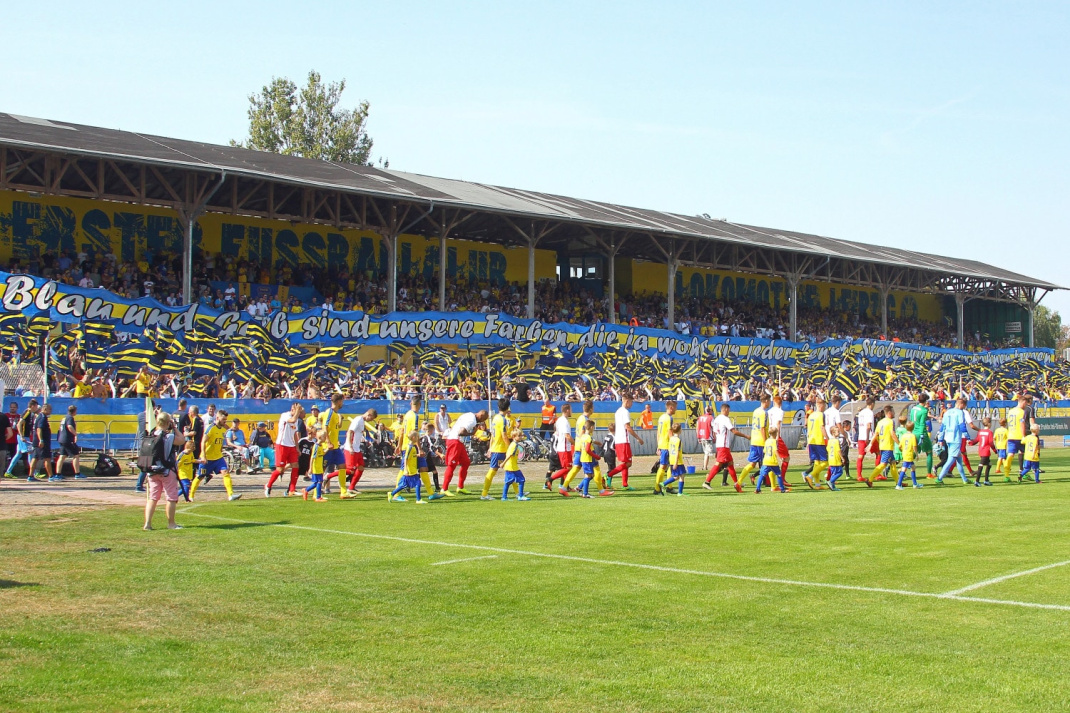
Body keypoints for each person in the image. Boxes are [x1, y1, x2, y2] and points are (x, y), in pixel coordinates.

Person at [142, 413, 182, 530]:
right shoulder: (168, 437)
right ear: (168, 422)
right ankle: (171, 523)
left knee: (153, 498)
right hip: (166, 470)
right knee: (171, 497)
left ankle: (147, 523)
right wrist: (174, 428)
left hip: (152, 470)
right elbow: (182, 440)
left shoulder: (151, 435)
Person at [190, 411, 242, 501]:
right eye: (223, 419)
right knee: (200, 476)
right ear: (217, 418)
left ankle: (230, 495)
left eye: (226, 419)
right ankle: (191, 496)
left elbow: (222, 438)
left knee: (226, 472)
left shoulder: (223, 429)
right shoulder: (210, 428)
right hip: (207, 458)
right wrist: (203, 456)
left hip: (218, 457)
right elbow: (203, 442)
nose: (225, 421)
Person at [441, 409, 487, 495]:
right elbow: (461, 432)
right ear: (480, 416)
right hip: (455, 440)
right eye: (483, 419)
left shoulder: (469, 414)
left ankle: (460, 487)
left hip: (457, 440)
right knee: (452, 465)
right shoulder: (472, 420)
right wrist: (471, 433)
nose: (482, 422)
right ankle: (444, 488)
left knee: (466, 462)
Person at [607, 393, 643, 490]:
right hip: (623, 440)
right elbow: (627, 427)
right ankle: (609, 475)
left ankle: (625, 484)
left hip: (619, 440)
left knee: (625, 462)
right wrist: (638, 438)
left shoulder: (618, 411)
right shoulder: (625, 412)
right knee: (628, 463)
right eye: (631, 402)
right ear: (627, 401)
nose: (632, 404)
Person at [704, 403, 744, 492]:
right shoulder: (725, 419)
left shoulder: (717, 419)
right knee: (718, 464)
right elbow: (734, 431)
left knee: (730, 464)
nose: (729, 412)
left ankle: (736, 483)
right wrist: (747, 436)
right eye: (728, 410)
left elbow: (714, 433)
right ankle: (707, 481)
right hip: (723, 446)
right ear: (725, 409)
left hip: (719, 445)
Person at [265, 403, 302, 496]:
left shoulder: (296, 419)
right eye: (298, 410)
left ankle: (292, 489)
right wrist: (297, 411)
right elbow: (292, 420)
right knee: (280, 470)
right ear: (293, 409)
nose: (300, 412)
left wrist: (297, 447)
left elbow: (295, 433)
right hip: (282, 445)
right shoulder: (285, 415)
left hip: (291, 446)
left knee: (296, 465)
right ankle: (268, 485)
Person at [480, 398, 511, 500]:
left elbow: (493, 435)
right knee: (493, 470)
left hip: (497, 448)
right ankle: (484, 494)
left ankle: (518, 492)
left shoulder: (495, 418)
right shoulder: (502, 419)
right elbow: (504, 435)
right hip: (500, 449)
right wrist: (510, 447)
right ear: (508, 408)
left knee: (511, 469)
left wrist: (490, 447)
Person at [341, 408, 377, 495]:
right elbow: (349, 432)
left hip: (356, 448)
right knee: (350, 470)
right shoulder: (357, 419)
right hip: (351, 448)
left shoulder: (362, 421)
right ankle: (328, 476)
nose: (370, 420)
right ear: (369, 415)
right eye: (371, 419)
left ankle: (351, 487)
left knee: (361, 467)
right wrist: (350, 446)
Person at [737, 395, 768, 489]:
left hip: (754, 440)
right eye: (769, 401)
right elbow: (762, 428)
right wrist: (766, 441)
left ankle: (739, 481)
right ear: (766, 401)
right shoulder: (764, 413)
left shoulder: (755, 411)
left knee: (752, 463)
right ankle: (772, 485)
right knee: (768, 462)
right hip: (761, 441)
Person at [936, 398, 971, 485]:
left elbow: (942, 427)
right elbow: (962, 426)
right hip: (955, 439)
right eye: (964, 406)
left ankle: (965, 479)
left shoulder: (947, 412)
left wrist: (940, 438)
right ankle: (939, 478)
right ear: (962, 404)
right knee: (951, 459)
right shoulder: (960, 413)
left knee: (959, 459)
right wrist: (968, 437)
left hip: (948, 438)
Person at [388, 431, 426, 503]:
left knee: (404, 485)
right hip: (410, 469)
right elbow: (406, 458)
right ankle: (418, 499)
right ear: (414, 437)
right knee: (418, 483)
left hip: (413, 468)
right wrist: (406, 469)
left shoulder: (412, 447)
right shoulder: (410, 447)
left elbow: (412, 456)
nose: (418, 439)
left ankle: (392, 494)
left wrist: (417, 455)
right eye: (417, 437)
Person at [5, 399, 38, 479]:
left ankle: (8, 472)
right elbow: (19, 423)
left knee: (18, 454)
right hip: (23, 436)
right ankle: (33, 473)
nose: (36, 408)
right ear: (32, 406)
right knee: (30, 452)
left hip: (22, 436)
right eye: (36, 406)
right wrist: (22, 436)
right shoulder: (27, 412)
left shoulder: (30, 413)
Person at [866, 405, 898, 486]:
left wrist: (870, 444)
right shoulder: (890, 422)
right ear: (890, 412)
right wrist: (899, 443)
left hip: (883, 445)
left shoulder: (880, 422)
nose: (894, 413)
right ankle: (870, 479)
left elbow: (875, 434)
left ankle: (898, 482)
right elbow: (892, 433)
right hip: (887, 446)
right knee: (883, 464)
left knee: (893, 463)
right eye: (893, 412)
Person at [546, 403, 574, 489]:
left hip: (563, 447)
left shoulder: (560, 420)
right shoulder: (564, 421)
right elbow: (567, 436)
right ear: (567, 410)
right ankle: (550, 479)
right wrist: (575, 444)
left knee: (567, 468)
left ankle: (566, 486)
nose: (572, 412)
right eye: (571, 410)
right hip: (564, 448)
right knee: (567, 468)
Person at [652, 400, 678, 494]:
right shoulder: (669, 418)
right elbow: (669, 432)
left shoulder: (661, 417)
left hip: (662, 444)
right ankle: (657, 488)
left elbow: (658, 431)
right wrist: (674, 443)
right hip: (667, 445)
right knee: (663, 466)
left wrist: (658, 445)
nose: (676, 409)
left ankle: (669, 487)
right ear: (671, 407)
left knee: (670, 466)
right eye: (675, 407)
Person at [804, 398, 828, 490]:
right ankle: (810, 476)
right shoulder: (820, 415)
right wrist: (827, 438)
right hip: (818, 441)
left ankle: (817, 484)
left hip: (811, 441)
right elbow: (822, 427)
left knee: (817, 463)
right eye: (824, 406)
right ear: (821, 405)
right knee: (825, 462)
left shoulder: (811, 415)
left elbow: (808, 429)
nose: (824, 408)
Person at [909, 394, 935, 478]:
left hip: (913, 432)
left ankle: (902, 467)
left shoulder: (913, 409)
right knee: (929, 452)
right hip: (921, 433)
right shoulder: (924, 410)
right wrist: (922, 435)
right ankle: (929, 473)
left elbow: (912, 420)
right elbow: (922, 423)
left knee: (914, 452)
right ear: (925, 401)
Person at [501, 430, 530, 501]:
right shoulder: (514, 445)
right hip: (512, 467)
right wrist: (503, 463)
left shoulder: (513, 444)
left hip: (511, 466)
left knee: (508, 482)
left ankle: (504, 497)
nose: (520, 437)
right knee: (521, 479)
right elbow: (509, 455)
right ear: (514, 437)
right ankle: (520, 496)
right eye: (519, 436)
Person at [659, 423, 687, 496]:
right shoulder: (678, 440)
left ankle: (663, 484)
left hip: (671, 460)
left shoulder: (671, 439)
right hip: (678, 461)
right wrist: (676, 462)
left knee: (676, 476)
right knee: (681, 476)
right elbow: (677, 452)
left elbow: (670, 449)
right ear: (680, 430)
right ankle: (680, 493)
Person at [29, 403, 55, 482]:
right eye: (50, 409)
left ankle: (30, 476)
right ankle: (51, 476)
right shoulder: (42, 417)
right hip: (42, 442)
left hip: (36, 441)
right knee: (47, 458)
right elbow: (39, 429)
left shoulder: (39, 416)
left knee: (35, 458)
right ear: (45, 409)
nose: (51, 411)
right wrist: (41, 440)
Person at [56, 404, 83, 479]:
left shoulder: (64, 418)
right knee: (76, 455)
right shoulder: (70, 418)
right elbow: (69, 426)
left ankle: (58, 474)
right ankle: (77, 473)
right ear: (74, 411)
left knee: (62, 456)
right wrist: (75, 434)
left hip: (61, 439)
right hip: (67, 439)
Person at [756, 427, 784, 494]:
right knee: (779, 475)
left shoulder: (767, 441)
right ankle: (782, 489)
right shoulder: (774, 441)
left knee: (762, 475)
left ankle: (757, 489)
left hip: (766, 461)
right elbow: (775, 450)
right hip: (773, 461)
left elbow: (764, 451)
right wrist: (780, 458)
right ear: (775, 434)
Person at [303, 428, 327, 501]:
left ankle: (306, 490)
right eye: (324, 437)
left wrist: (328, 449)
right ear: (320, 437)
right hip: (315, 467)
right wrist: (310, 468)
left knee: (317, 482)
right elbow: (312, 458)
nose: (325, 438)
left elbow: (322, 454)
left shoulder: (320, 446)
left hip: (319, 467)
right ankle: (318, 497)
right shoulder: (316, 446)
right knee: (319, 481)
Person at [969, 416, 995, 486]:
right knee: (981, 466)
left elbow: (976, 440)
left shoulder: (980, 432)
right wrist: (995, 450)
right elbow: (991, 443)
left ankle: (986, 480)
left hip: (980, 450)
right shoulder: (989, 432)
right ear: (989, 424)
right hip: (985, 451)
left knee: (989, 465)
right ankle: (977, 481)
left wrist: (971, 443)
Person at [895, 421, 921, 490]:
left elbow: (900, 446)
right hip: (909, 454)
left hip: (905, 453)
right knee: (904, 469)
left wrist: (902, 451)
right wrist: (917, 454)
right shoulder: (912, 436)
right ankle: (898, 485)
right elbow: (914, 446)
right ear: (913, 428)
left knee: (913, 467)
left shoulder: (904, 436)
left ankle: (915, 484)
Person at [855, 397, 876, 481]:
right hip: (868, 437)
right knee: (878, 453)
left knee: (860, 456)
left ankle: (859, 476)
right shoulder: (869, 412)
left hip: (861, 436)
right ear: (872, 404)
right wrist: (868, 437)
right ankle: (878, 475)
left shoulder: (861, 412)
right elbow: (868, 425)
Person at [826, 424, 849, 491]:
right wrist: (842, 458)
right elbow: (838, 450)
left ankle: (833, 487)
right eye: (838, 432)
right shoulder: (836, 441)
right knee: (840, 472)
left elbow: (828, 449)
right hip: (836, 459)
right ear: (833, 433)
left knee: (834, 473)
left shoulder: (829, 441)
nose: (839, 433)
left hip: (831, 459)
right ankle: (830, 481)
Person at [695, 405, 715, 472]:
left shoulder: (700, 418)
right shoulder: (710, 418)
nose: (712, 411)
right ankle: (705, 467)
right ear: (709, 411)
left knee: (706, 453)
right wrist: (715, 436)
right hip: (708, 436)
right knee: (708, 453)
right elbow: (714, 428)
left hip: (702, 436)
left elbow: (697, 428)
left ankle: (705, 466)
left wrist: (698, 437)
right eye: (712, 410)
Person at [993, 417, 1010, 482]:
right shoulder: (1006, 430)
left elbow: (994, 438)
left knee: (1002, 457)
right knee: (1001, 457)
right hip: (1003, 445)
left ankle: (1004, 467)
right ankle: (999, 468)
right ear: (1005, 423)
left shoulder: (997, 430)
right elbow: (1009, 437)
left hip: (998, 445)